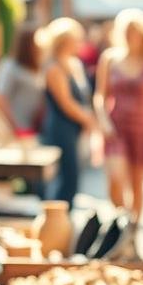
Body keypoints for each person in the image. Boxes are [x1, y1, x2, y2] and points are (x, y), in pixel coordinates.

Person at [94, 9, 143, 221]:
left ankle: (132, 232)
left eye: (135, 31)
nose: (131, 36)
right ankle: (122, 221)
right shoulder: (109, 59)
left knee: (137, 184)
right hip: (115, 127)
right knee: (115, 180)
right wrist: (103, 120)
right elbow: (99, 95)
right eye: (127, 31)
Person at [40, 18, 98, 206]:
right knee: (67, 177)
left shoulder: (74, 64)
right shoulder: (53, 68)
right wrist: (88, 119)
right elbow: (66, 103)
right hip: (61, 128)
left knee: (74, 177)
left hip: (75, 128)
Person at [0, 23, 44, 137]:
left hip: (33, 127)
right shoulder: (9, 66)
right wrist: (14, 126)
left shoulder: (35, 68)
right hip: (16, 128)